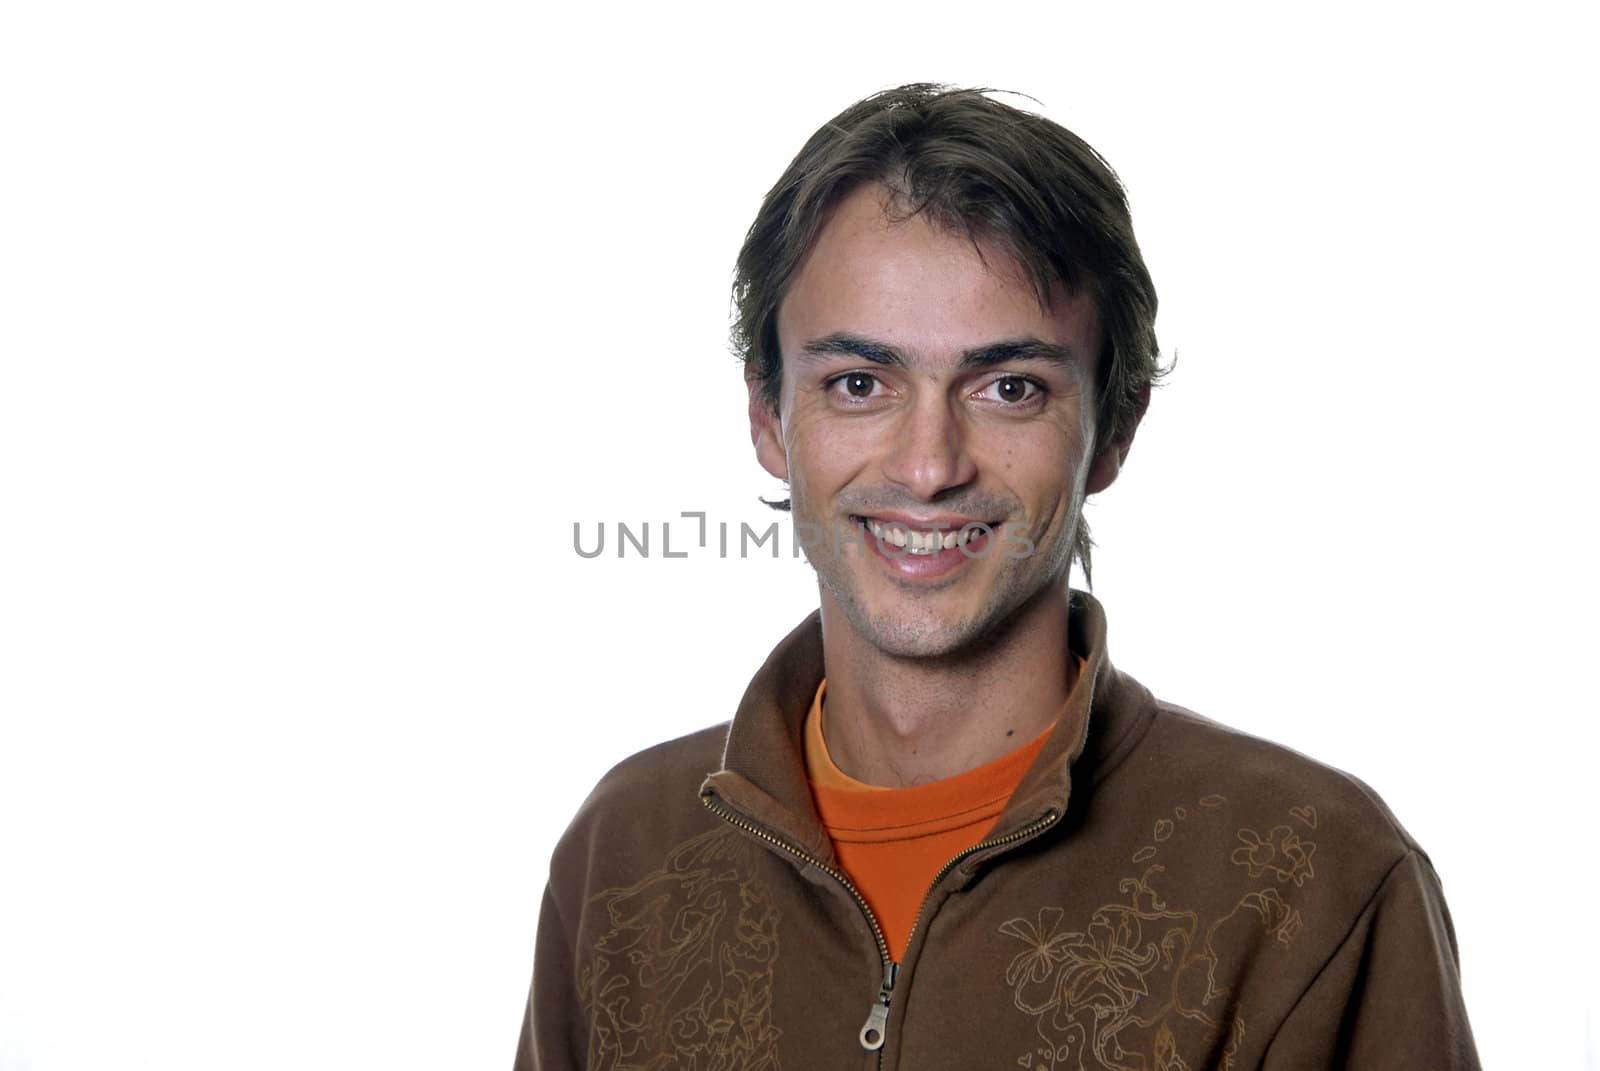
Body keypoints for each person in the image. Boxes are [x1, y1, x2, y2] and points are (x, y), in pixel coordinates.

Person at [514, 84, 1480, 1070]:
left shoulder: (1312, 878)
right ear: (768, 417)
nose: (929, 467)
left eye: (1008, 388)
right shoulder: (623, 857)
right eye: (859, 384)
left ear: (1115, 428)